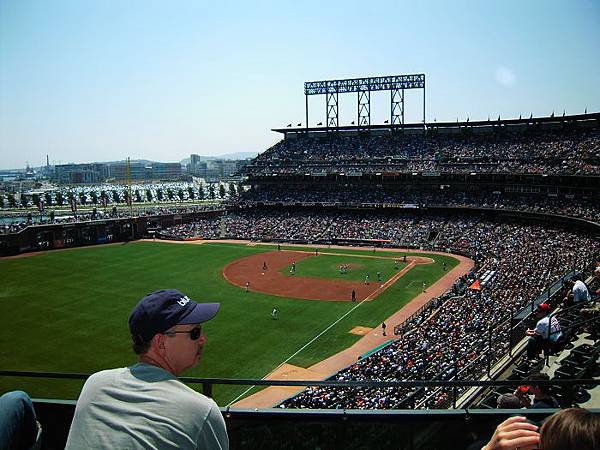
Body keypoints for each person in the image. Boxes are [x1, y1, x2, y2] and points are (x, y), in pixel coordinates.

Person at [64, 289, 228, 450]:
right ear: (161, 343)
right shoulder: (200, 412)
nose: (203, 339)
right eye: (195, 332)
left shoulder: (95, 385)